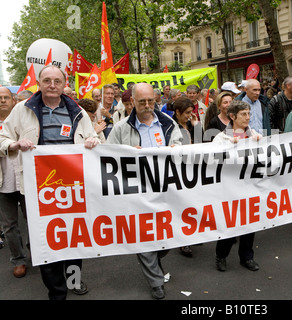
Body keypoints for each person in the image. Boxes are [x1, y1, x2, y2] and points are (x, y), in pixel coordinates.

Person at [0, 65, 100, 299]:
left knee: (74, 239)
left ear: (65, 84)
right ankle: (56, 292)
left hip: (72, 189)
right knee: (47, 240)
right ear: (39, 83)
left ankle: (74, 280)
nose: (52, 85)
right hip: (39, 191)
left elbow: (93, 136)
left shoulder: (76, 110)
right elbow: (3, 137)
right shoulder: (22, 110)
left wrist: (93, 141)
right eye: (47, 80)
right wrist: (14, 145)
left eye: (57, 81)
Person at [106, 82, 182, 299]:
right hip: (136, 191)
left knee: (169, 234)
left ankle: (156, 256)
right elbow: (107, 156)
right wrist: (127, 154)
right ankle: (156, 281)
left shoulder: (168, 123)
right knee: (144, 236)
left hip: (166, 188)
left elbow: (179, 147)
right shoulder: (121, 128)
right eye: (142, 102)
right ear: (132, 102)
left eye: (151, 100)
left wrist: (175, 149)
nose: (148, 105)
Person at [213, 100, 261, 272]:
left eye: (249, 114)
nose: (247, 117)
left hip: (249, 186)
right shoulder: (221, 138)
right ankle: (221, 255)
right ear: (232, 116)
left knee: (250, 223)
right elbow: (214, 161)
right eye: (243, 114)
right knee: (230, 224)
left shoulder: (254, 134)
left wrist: (259, 143)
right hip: (230, 188)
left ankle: (247, 257)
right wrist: (229, 148)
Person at [0, 87, 28, 278]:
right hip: (3, 183)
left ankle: (38, 254)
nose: (2, 101)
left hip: (26, 180)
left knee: (33, 220)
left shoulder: (25, 120)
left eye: (5, 97)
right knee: (9, 225)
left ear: (13, 100)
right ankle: (18, 259)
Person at [172, 96, 204, 257]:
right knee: (180, 205)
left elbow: (201, 142)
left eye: (192, 112)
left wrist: (196, 126)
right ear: (177, 112)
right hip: (179, 169)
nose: (190, 115)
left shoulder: (191, 124)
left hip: (193, 167)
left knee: (193, 202)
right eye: (187, 113)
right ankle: (183, 241)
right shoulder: (171, 126)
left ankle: (193, 233)